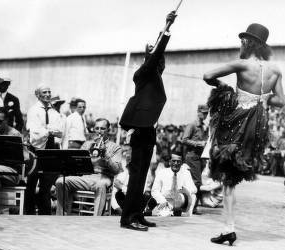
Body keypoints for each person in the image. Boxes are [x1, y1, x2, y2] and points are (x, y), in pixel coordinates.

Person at [203, 23, 285, 245]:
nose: (241, 44)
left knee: (228, 178)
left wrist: (222, 86)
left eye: (243, 41)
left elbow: (207, 75)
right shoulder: (275, 70)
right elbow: (281, 101)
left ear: (251, 43)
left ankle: (229, 228)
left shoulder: (241, 64)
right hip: (257, 124)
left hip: (237, 121)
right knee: (231, 179)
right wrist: (264, 97)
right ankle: (227, 227)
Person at [119, 11, 177, 231]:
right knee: (136, 176)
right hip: (140, 130)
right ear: (151, 59)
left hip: (148, 130)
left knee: (143, 175)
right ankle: (128, 219)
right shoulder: (144, 72)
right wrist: (167, 26)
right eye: (158, 59)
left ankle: (136, 213)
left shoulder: (154, 78)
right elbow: (156, 52)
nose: (162, 63)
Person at [55, 118, 122, 216]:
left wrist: (106, 155)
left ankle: (96, 218)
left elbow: (116, 170)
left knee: (100, 184)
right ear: (94, 129)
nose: (99, 131)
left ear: (108, 129)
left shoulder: (115, 147)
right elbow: (77, 165)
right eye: (97, 128)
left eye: (102, 128)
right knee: (61, 181)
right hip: (86, 176)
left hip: (103, 177)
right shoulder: (87, 144)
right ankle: (61, 216)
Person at [24, 84, 64, 215]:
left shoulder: (54, 112)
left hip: (50, 150)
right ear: (38, 95)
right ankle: (28, 213)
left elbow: (59, 132)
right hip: (36, 150)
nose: (48, 94)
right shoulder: (33, 110)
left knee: (46, 186)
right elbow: (34, 132)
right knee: (31, 184)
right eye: (44, 92)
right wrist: (48, 131)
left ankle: (45, 214)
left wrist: (45, 131)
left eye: (49, 92)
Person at [181, 104, 209, 212]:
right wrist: (198, 143)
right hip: (192, 157)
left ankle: (191, 205)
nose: (205, 115)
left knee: (195, 182)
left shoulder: (203, 127)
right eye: (203, 113)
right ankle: (192, 206)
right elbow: (184, 140)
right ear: (198, 112)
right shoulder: (192, 125)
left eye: (207, 113)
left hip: (200, 158)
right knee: (196, 182)